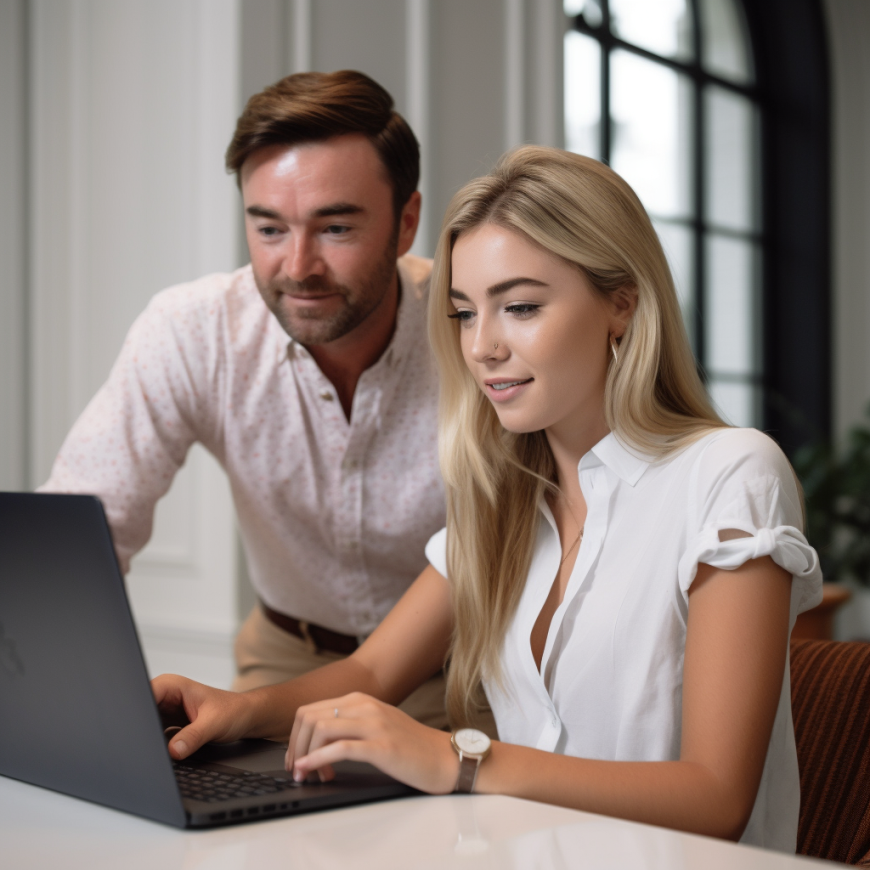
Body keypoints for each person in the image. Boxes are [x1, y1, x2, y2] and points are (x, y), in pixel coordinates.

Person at [152, 146, 822, 851]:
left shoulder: (730, 474)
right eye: (466, 313)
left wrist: (459, 759)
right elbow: (373, 672)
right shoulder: (500, 498)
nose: (482, 348)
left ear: (621, 302)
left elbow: (715, 798)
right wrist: (237, 710)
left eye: (522, 307)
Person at [38, 70, 451, 727]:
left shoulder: (474, 333)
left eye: (335, 229)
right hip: (289, 664)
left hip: (477, 669)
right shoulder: (196, 330)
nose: (298, 266)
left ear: (406, 223)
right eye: (269, 229)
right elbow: (84, 530)